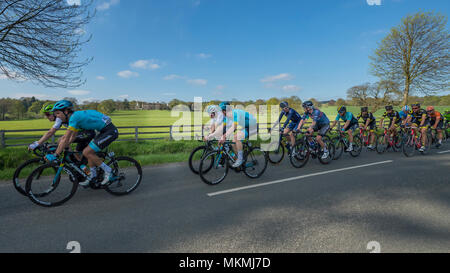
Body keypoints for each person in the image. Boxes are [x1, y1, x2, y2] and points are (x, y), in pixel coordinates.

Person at [46, 100, 119, 186]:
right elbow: (72, 137)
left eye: (58, 113)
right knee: (87, 152)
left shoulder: (74, 118)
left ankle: (108, 171)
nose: (56, 116)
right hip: (102, 131)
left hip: (110, 131)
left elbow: (65, 138)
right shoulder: (74, 118)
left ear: (66, 111)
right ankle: (93, 175)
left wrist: (56, 154)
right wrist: (65, 146)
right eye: (55, 114)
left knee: (87, 152)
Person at [28, 103, 95, 162]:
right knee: (77, 154)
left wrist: (37, 143)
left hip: (87, 133)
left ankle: (74, 162)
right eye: (46, 115)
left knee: (61, 140)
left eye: (48, 114)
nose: (47, 117)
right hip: (80, 133)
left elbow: (50, 132)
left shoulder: (59, 118)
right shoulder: (61, 118)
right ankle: (80, 166)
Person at [218, 102, 257, 168]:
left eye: (220, 111)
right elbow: (222, 128)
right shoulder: (227, 117)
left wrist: (224, 136)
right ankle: (238, 158)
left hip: (253, 126)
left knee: (236, 137)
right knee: (233, 142)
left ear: (224, 111)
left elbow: (234, 127)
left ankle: (240, 159)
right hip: (245, 127)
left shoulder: (235, 113)